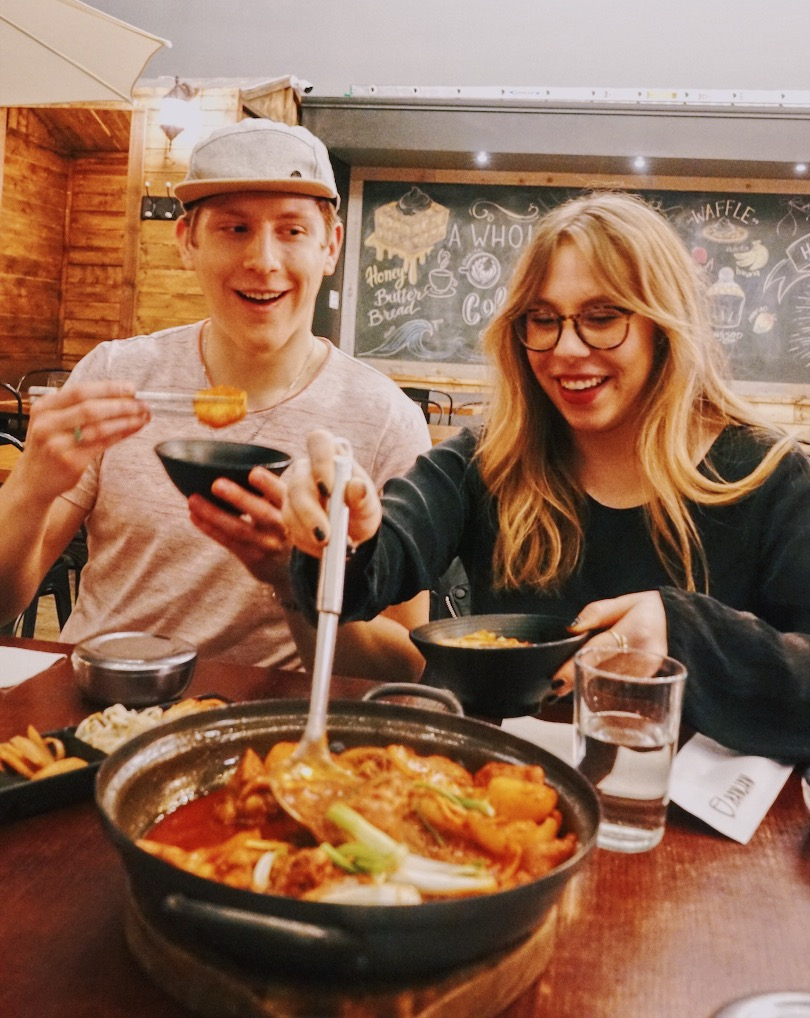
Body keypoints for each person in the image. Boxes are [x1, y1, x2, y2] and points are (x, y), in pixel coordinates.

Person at [282, 190, 810, 760]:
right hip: (503, 803)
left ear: (663, 325)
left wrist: (686, 636)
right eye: (543, 320)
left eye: (602, 318)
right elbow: (382, 556)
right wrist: (338, 526)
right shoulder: (487, 461)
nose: (567, 349)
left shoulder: (772, 478)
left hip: (696, 832)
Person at [0, 119, 430, 674]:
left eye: (292, 231)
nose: (264, 261)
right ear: (188, 243)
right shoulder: (116, 373)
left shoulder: (385, 420)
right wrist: (32, 488)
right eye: (235, 228)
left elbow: (406, 663)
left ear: (331, 247)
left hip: (265, 736)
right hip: (98, 703)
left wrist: (296, 575)